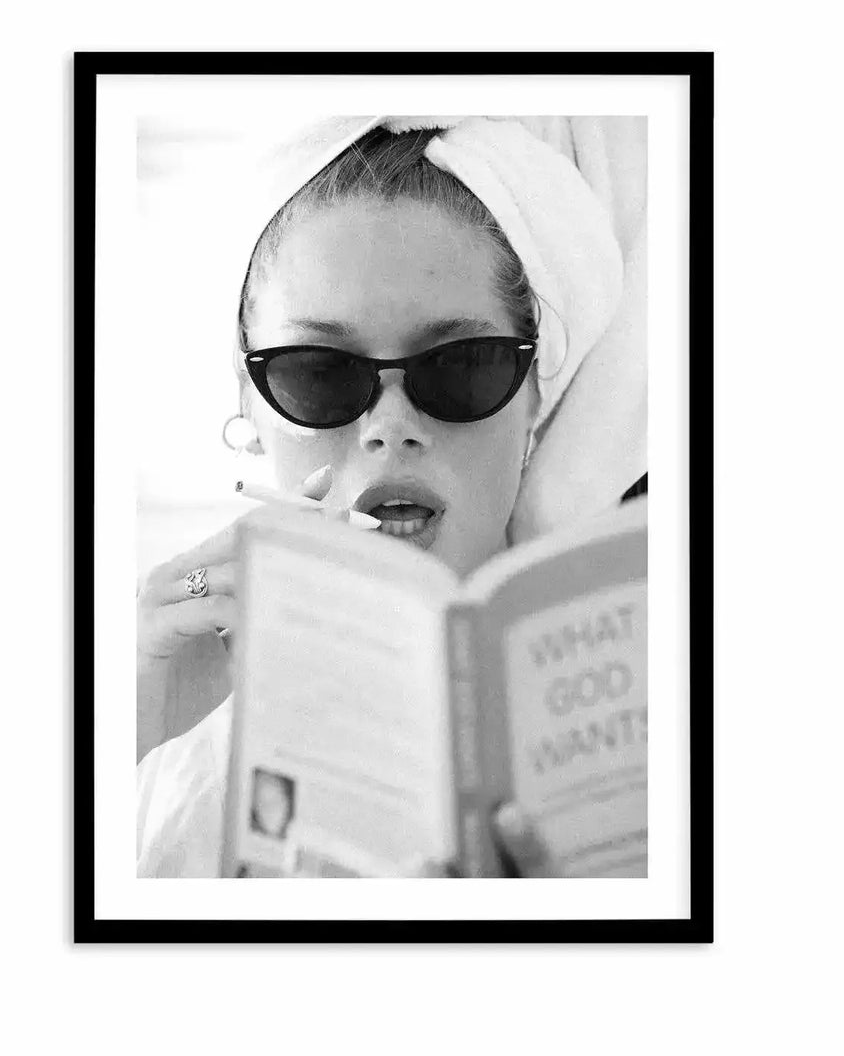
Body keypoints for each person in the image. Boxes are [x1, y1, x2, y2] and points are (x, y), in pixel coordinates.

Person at [136, 116, 645, 878]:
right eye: (319, 374)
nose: (391, 428)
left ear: (536, 395)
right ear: (247, 405)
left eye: (463, 366)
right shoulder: (156, 772)